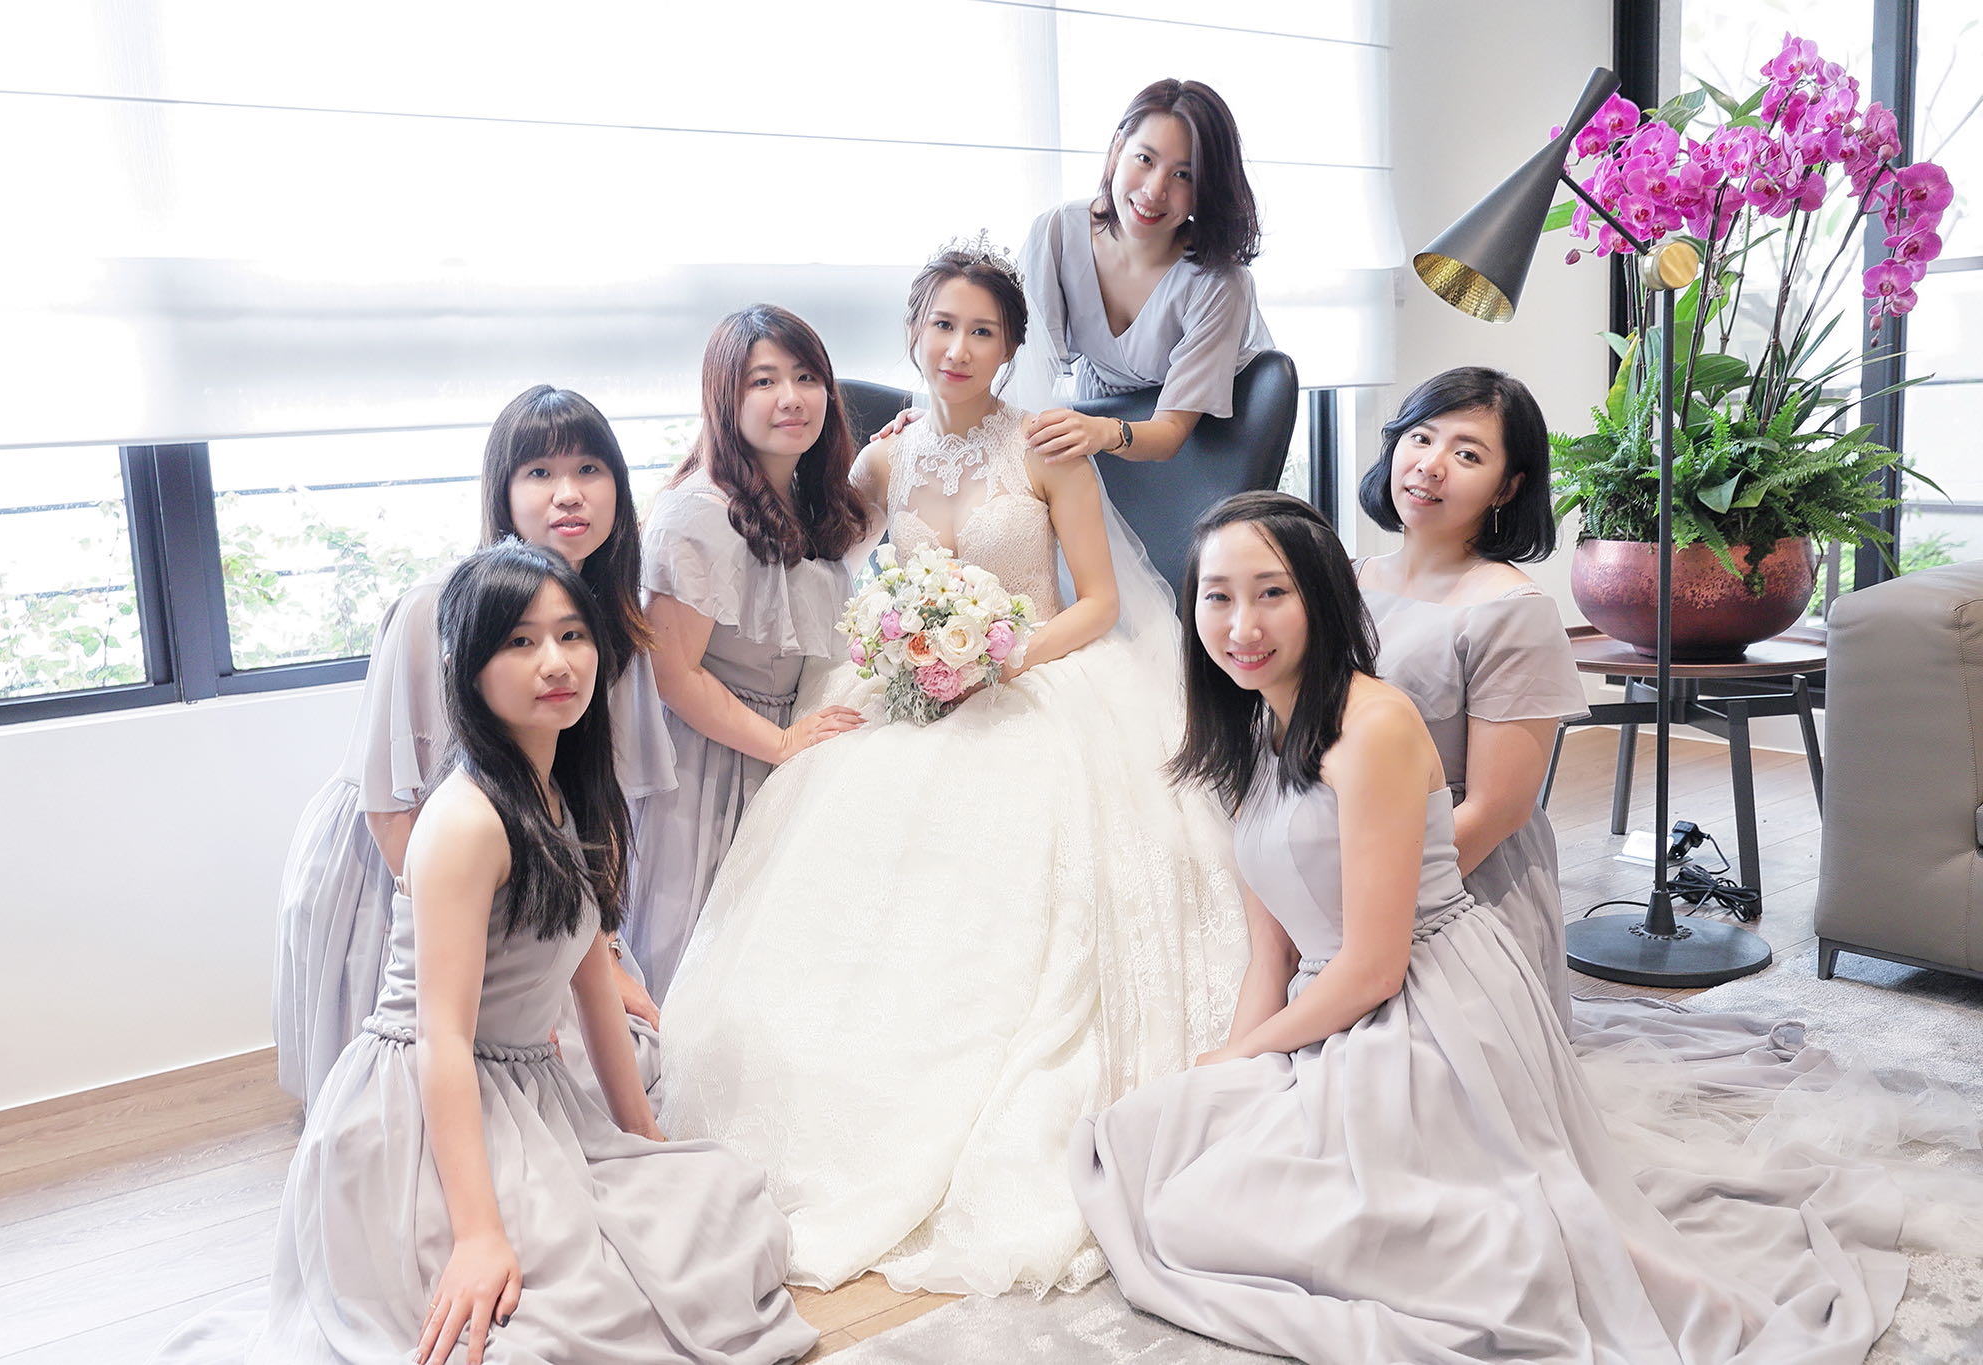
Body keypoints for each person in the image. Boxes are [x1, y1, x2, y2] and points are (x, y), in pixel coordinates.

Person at [1070, 491, 1914, 1363]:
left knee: (1216, 1218)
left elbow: (1373, 967)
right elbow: (1271, 950)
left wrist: (1251, 1054)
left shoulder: (1373, 726)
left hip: (1423, 1012)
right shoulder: (1252, 722)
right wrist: (1234, 1065)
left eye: (1272, 592)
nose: (1242, 625)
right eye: (1217, 596)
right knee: (1151, 1141)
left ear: (1320, 596)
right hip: (1332, 1005)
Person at [653, 241, 1246, 1297]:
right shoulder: (882, 463)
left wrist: (998, 657)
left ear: (1011, 348)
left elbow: (1099, 603)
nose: (958, 347)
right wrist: (909, 650)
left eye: (983, 331)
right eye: (941, 325)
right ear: (912, 334)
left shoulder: (1049, 447)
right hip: (911, 688)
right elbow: (816, 555)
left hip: (1039, 680)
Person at [155, 541, 814, 1365]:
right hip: (417, 1115)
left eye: (572, 634)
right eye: (520, 641)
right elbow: (442, 1038)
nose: (556, 662)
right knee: (573, 1320)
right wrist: (477, 1234)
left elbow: (591, 978)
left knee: (719, 1211)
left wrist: (641, 1131)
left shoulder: (567, 789)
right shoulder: (465, 819)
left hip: (525, 1094)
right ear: (468, 668)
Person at [272, 385, 671, 1111]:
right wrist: (509, 981)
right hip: (405, 858)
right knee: (415, 1104)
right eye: (539, 472)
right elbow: (394, 805)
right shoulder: (435, 607)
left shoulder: (611, 619)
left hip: (524, 869)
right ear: (502, 493)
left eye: (589, 469)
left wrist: (600, 947)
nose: (569, 494)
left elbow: (597, 797)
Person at [626, 305, 871, 1000]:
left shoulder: (806, 497)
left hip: (777, 746)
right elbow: (673, 675)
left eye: (806, 377)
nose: (791, 398)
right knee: (697, 968)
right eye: (763, 381)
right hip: (708, 765)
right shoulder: (699, 512)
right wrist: (783, 742)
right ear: (724, 398)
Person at [1352, 367, 1586, 1027]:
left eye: (1468, 454)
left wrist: (1366, 899)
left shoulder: (1512, 610)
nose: (1430, 465)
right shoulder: (1344, 578)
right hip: (1346, 848)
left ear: (1508, 487)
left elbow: (1497, 809)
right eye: (1421, 437)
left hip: (1457, 888)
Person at [1017, 77, 1274, 464]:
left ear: (1206, 188)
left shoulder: (1220, 283)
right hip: (1095, 429)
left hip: (1198, 450)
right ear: (1117, 149)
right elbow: (1024, 371)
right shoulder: (1057, 233)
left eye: (1183, 175)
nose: (1155, 191)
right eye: (1145, 160)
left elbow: (1171, 432)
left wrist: (1104, 431)